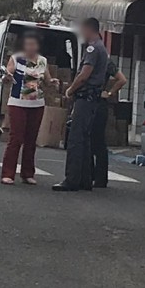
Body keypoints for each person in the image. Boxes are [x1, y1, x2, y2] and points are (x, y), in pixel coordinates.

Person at [53, 18, 108, 192]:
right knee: (85, 139)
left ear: (89, 29)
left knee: (76, 139)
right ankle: (85, 179)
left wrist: (70, 90)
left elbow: (84, 75)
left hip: (85, 97)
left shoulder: (93, 48)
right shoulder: (102, 48)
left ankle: (72, 179)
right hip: (93, 99)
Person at [1, 31, 59, 186]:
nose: (30, 47)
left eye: (33, 44)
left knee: (31, 140)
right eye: (28, 44)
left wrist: (53, 81)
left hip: (37, 104)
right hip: (17, 102)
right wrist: (6, 77)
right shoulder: (16, 58)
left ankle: (27, 173)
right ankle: (8, 173)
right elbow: (7, 75)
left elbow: (47, 80)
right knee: (16, 138)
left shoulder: (42, 61)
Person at [91, 59, 127, 188]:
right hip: (91, 102)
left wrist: (110, 92)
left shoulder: (105, 62)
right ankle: (93, 175)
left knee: (97, 141)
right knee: (91, 141)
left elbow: (122, 79)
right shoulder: (89, 58)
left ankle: (100, 178)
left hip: (97, 103)